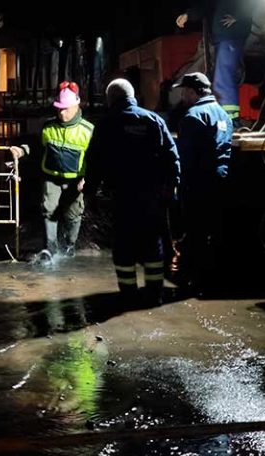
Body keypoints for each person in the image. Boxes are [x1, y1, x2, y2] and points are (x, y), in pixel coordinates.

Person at [83, 79, 181, 308]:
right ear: (132, 96)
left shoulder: (106, 124)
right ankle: (154, 294)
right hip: (151, 196)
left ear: (110, 99)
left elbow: (94, 162)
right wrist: (171, 186)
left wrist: (90, 194)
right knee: (152, 243)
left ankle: (128, 295)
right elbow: (171, 156)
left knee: (123, 245)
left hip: (121, 197)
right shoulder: (153, 120)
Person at [11, 81, 94, 263]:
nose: (61, 113)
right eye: (59, 108)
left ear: (76, 106)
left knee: (73, 215)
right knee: (48, 211)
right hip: (51, 177)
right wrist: (22, 150)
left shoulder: (87, 131)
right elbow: (37, 147)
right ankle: (50, 249)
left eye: (65, 109)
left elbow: (95, 159)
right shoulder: (48, 126)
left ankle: (70, 245)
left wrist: (87, 179)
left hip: (75, 181)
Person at [173, 72, 232, 291]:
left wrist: (178, 184)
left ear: (192, 92)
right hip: (220, 180)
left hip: (197, 183)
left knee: (194, 231)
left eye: (184, 91)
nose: (182, 96)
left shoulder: (193, 116)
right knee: (213, 229)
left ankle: (192, 279)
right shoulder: (223, 115)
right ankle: (213, 278)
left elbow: (185, 157)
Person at [176, 0, 256, 123]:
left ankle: (229, 119)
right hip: (224, 38)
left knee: (223, 79)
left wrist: (240, 18)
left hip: (230, 36)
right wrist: (188, 15)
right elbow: (206, 4)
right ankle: (229, 118)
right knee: (222, 78)